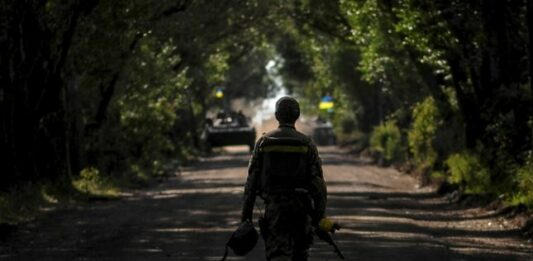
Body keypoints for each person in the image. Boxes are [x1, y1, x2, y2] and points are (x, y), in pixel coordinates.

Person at [241, 96, 328, 261]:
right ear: (297, 115)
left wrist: (245, 217)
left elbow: (251, 183)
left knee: (277, 255)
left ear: (277, 115)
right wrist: (320, 217)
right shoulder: (307, 143)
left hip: (275, 210)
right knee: (300, 255)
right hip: (301, 211)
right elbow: (318, 185)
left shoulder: (264, 143)